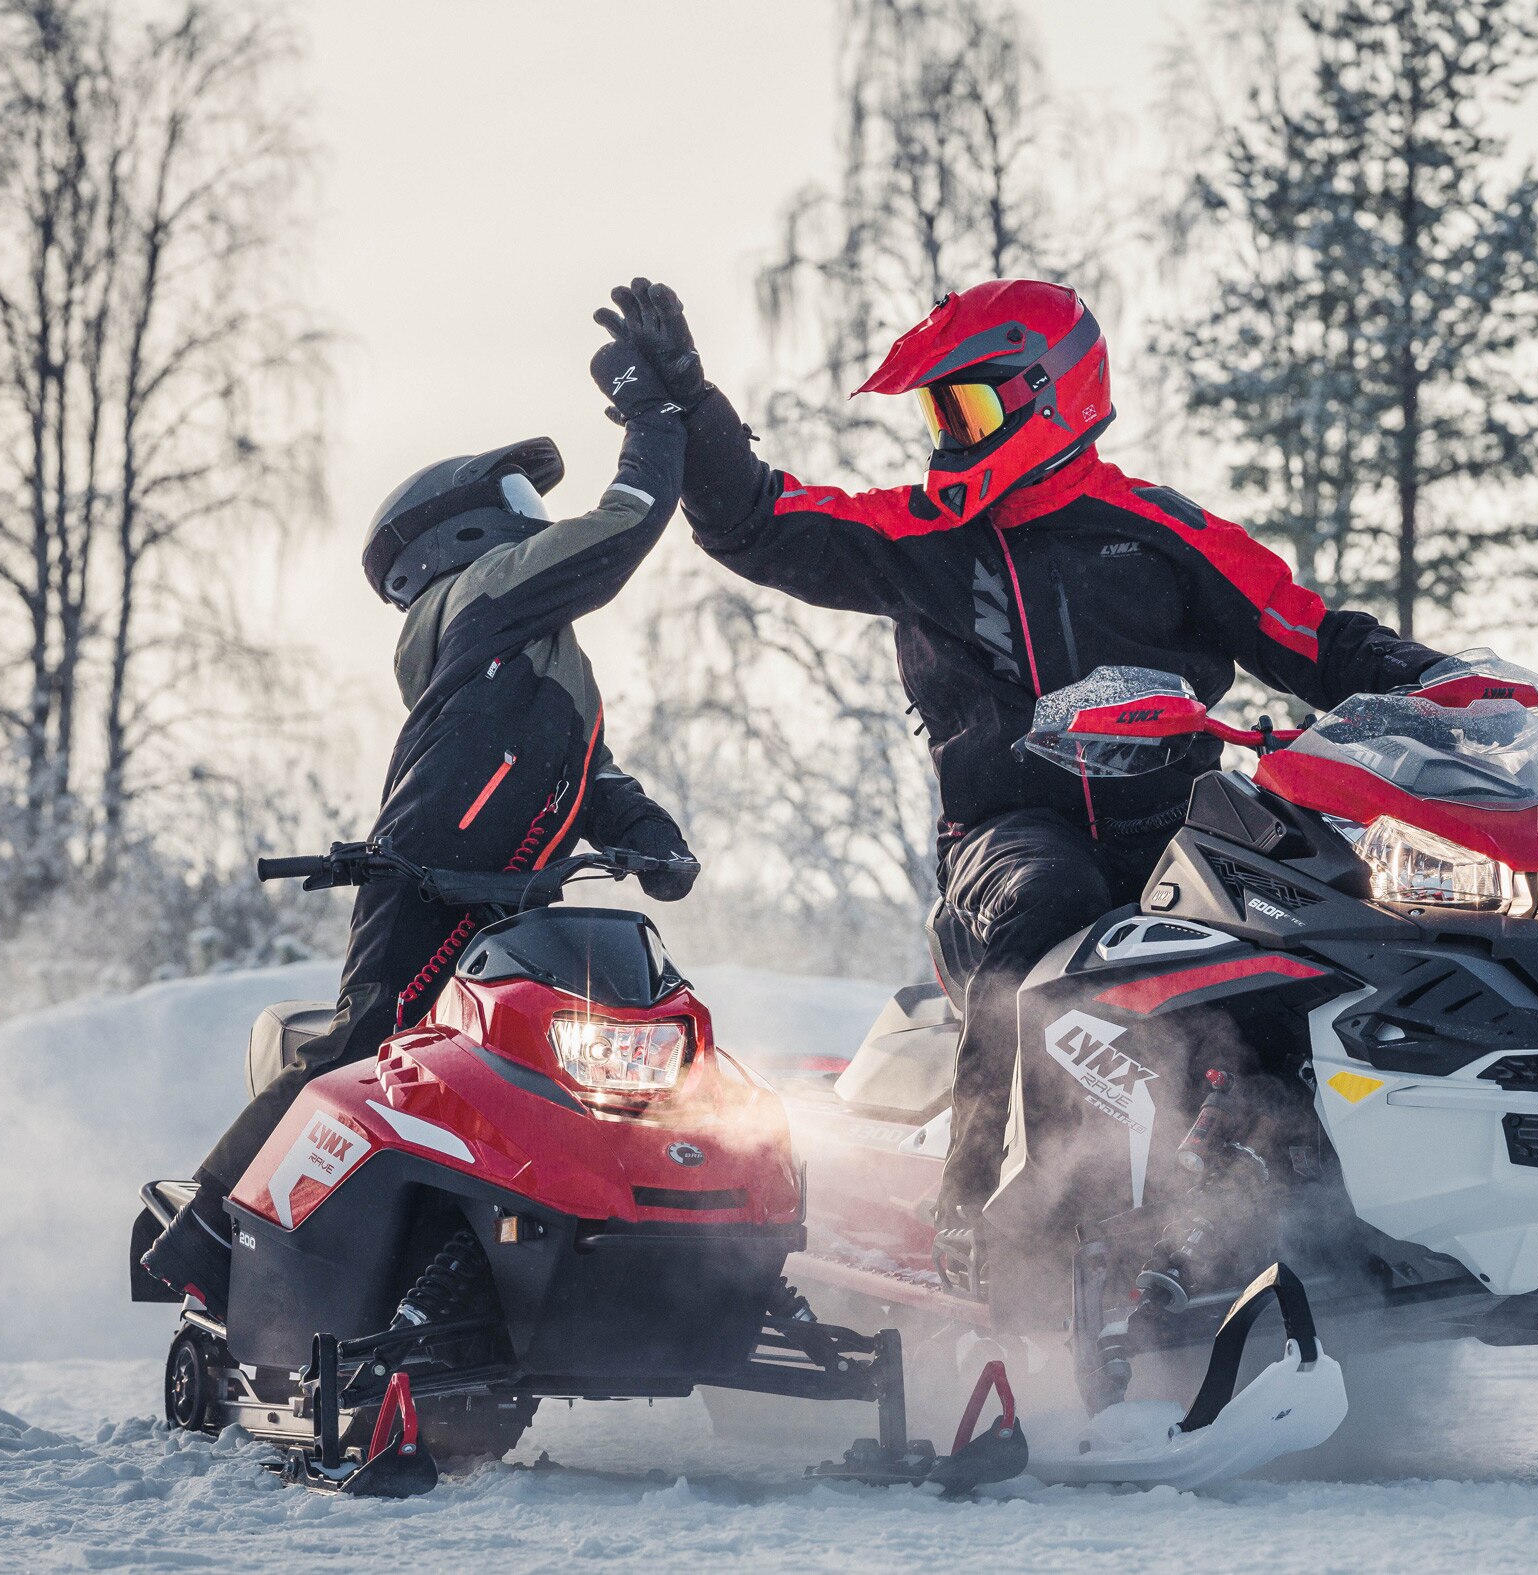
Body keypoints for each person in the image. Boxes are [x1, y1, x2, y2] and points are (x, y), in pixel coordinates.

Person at [597, 275, 1448, 1269]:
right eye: (938, 410)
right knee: (1061, 893)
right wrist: (692, 404)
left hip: (1181, 839)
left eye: (971, 406)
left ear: (1055, 395)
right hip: (1008, 848)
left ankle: (1364, 1210)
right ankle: (990, 1209)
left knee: (1316, 905)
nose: (950, 434)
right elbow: (760, 521)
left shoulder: (1163, 533)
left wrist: (1439, 683)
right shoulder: (922, 539)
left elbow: (1306, 632)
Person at [140, 327, 698, 1313]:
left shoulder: (531, 644)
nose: (540, 523)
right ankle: (206, 1247)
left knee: (541, 1076)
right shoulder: (484, 595)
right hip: (432, 879)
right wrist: (652, 421)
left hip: (508, 899)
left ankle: (527, 1262)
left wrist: (642, 826)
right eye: (520, 505)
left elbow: (584, 764)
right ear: (457, 539)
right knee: (364, 1054)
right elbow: (621, 531)